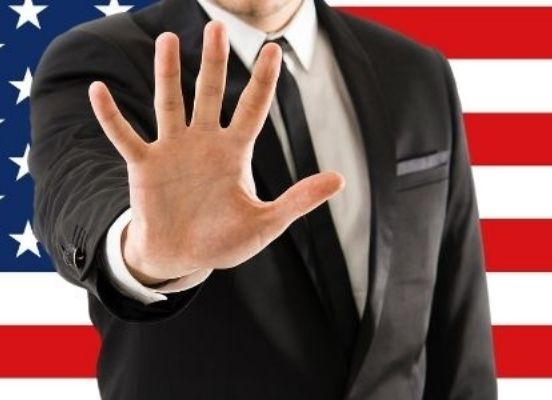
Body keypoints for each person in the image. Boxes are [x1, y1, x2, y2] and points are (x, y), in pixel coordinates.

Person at [28, 0, 497, 398]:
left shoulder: (417, 72)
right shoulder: (100, 60)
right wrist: (143, 253)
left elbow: (458, 329)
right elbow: (76, 190)